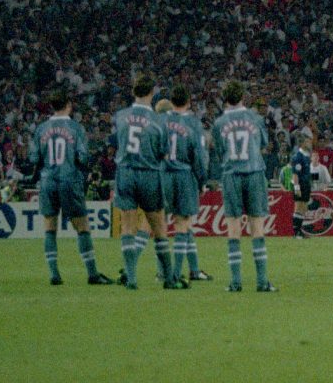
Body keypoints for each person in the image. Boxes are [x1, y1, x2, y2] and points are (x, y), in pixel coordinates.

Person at [31, 91, 109, 286]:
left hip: (48, 181)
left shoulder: (41, 129)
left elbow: (33, 158)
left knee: (49, 226)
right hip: (69, 180)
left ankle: (54, 274)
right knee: (82, 227)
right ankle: (92, 274)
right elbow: (83, 156)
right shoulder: (75, 128)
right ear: (68, 104)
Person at [211, 82, 275, 292]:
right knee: (257, 227)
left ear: (225, 99)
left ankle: (236, 282)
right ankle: (262, 282)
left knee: (233, 229)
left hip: (231, 175)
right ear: (242, 98)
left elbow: (220, 152)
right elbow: (264, 143)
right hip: (255, 172)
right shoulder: (255, 118)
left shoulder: (219, 122)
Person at [112, 75, 170, 290]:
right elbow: (163, 151)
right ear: (152, 93)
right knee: (158, 225)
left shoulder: (120, 116)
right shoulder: (157, 120)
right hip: (149, 173)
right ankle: (168, 277)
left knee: (127, 225)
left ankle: (131, 277)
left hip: (125, 172)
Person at [160, 89, 210, 286]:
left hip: (163, 175)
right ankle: (176, 273)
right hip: (183, 175)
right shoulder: (193, 124)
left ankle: (165, 271)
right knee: (183, 223)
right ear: (188, 102)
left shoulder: (160, 121)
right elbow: (199, 156)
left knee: (160, 224)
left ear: (171, 101)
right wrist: (201, 180)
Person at [291, 130, 316, 239]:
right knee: (298, 207)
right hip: (300, 184)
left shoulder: (306, 156)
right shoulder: (298, 157)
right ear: (302, 144)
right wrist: (297, 188)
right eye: (307, 142)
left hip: (305, 184)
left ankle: (299, 231)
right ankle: (296, 233)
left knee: (304, 207)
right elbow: (295, 174)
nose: (309, 143)